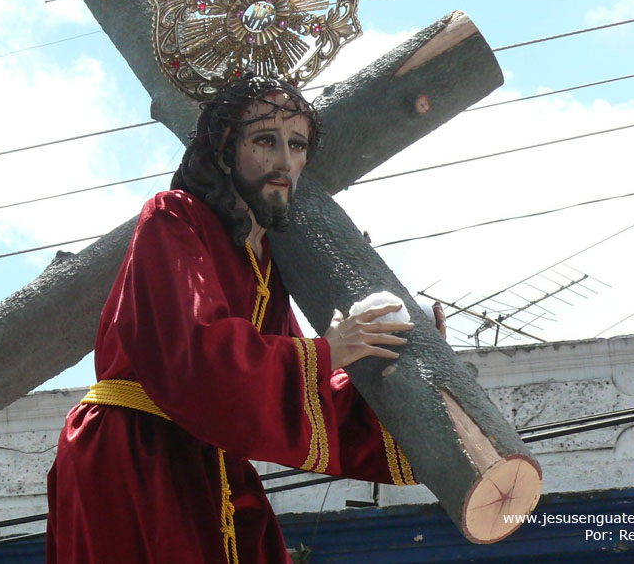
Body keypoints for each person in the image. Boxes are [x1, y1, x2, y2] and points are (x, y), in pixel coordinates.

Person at [46, 74, 419, 564]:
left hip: (211, 460)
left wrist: (392, 354)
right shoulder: (173, 217)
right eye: (265, 140)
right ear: (224, 149)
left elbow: (302, 392)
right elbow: (196, 355)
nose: (284, 161)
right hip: (136, 451)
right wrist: (326, 352)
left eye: (297, 145)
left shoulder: (266, 261)